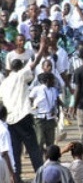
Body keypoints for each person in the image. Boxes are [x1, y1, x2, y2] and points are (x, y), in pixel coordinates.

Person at [0, 41, 45, 181]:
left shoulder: (4, 83)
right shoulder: (20, 75)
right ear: (20, 67)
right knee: (33, 149)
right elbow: (35, 63)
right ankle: (42, 175)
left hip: (10, 120)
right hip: (23, 117)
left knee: (15, 150)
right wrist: (42, 48)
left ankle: (17, 177)